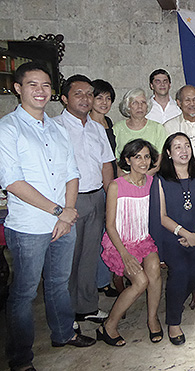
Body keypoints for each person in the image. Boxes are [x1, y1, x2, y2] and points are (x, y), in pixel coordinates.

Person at [0, 62, 95, 371]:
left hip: (63, 221)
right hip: (29, 226)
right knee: (24, 293)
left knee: (57, 284)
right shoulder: (8, 128)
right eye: (32, 85)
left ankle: (64, 333)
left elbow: (71, 171)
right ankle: (20, 359)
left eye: (45, 85)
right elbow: (12, 182)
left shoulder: (56, 126)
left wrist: (67, 214)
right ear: (18, 89)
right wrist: (59, 211)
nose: (40, 91)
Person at [54, 75, 115, 324]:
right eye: (78, 93)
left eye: (89, 93)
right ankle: (67, 314)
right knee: (68, 259)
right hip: (70, 201)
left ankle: (87, 306)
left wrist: (110, 198)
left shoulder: (97, 128)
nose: (86, 98)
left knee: (90, 256)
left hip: (96, 197)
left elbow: (106, 166)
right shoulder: (55, 127)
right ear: (65, 98)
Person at [149, 133, 195, 345]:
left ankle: (174, 301)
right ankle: (174, 322)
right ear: (168, 153)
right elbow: (161, 216)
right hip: (171, 237)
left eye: (186, 146)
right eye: (177, 147)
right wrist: (185, 234)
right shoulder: (160, 179)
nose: (183, 150)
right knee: (180, 272)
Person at [99, 139, 162, 346]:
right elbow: (110, 226)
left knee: (154, 270)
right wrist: (125, 255)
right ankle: (108, 325)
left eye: (146, 156)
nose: (143, 161)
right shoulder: (116, 186)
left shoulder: (152, 183)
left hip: (143, 240)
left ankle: (152, 319)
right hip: (120, 244)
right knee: (140, 281)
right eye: (137, 157)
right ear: (127, 160)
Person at [90, 79, 121, 297]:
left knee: (109, 233)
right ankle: (99, 281)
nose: (104, 102)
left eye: (108, 98)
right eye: (99, 97)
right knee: (99, 235)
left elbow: (113, 158)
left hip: (111, 183)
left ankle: (107, 278)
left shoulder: (108, 122)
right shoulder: (87, 124)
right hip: (96, 185)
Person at [114, 88, 167, 175]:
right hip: (124, 179)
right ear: (128, 107)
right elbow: (114, 160)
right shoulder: (117, 129)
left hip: (151, 178)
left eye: (143, 102)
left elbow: (160, 162)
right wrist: (127, 180)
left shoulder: (158, 128)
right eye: (135, 103)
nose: (140, 106)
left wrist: (142, 179)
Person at [164, 85, 195, 171]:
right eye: (187, 100)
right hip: (179, 177)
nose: (192, 104)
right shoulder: (169, 126)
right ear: (179, 103)